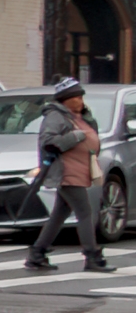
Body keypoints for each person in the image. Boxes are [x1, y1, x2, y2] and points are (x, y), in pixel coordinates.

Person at [24, 78, 108, 272]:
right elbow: (49, 141)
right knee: (85, 213)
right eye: (76, 97)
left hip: (79, 171)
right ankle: (92, 256)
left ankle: (37, 254)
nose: (80, 100)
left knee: (59, 214)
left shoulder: (80, 116)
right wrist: (75, 137)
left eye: (81, 97)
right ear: (65, 100)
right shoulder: (56, 116)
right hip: (66, 172)